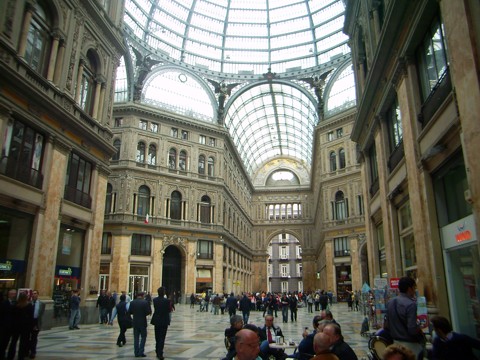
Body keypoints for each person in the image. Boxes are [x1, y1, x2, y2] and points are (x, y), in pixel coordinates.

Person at [385, 277, 424, 360]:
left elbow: (386, 325)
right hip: (410, 345)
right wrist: (421, 326)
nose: (415, 290)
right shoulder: (411, 304)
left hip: (396, 343)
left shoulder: (390, 302)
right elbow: (412, 329)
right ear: (409, 288)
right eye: (414, 288)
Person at [8, 292, 34, 360]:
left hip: (16, 326)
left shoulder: (15, 305)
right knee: (23, 342)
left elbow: (12, 316)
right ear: (26, 298)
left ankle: (10, 356)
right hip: (25, 327)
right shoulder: (29, 305)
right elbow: (31, 317)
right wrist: (31, 327)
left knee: (13, 341)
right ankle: (21, 356)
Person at [128, 291, 152, 358]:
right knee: (143, 337)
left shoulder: (132, 302)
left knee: (136, 338)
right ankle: (141, 351)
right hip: (142, 322)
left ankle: (136, 352)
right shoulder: (145, 302)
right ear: (142, 295)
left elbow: (130, 312)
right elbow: (148, 312)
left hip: (135, 322)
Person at [150, 287, 171, 360]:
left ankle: (157, 350)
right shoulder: (167, 301)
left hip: (156, 320)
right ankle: (160, 353)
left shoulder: (155, 300)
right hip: (164, 320)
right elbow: (169, 310)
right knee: (162, 337)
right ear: (164, 293)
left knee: (157, 336)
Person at [0, 289, 17, 360]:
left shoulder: (17, 303)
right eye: (12, 294)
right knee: (3, 342)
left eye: (14, 294)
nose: (13, 295)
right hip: (5, 326)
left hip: (14, 327)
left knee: (13, 342)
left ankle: (10, 356)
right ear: (8, 294)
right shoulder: (3, 303)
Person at [29, 289, 45, 359]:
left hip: (36, 323)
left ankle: (33, 352)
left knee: (34, 338)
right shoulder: (29, 303)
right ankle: (26, 351)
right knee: (26, 338)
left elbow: (41, 314)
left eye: (35, 293)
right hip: (28, 323)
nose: (34, 295)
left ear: (38, 295)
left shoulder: (41, 304)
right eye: (33, 293)